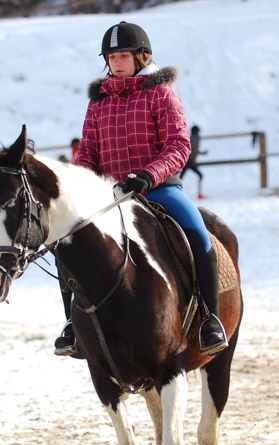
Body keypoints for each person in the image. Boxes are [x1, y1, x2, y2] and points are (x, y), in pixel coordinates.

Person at [54, 21, 229, 357]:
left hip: (158, 189)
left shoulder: (160, 93)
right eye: (111, 57)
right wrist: (83, 185)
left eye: (122, 55)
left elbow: (178, 145)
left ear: (141, 56)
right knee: (68, 241)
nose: (116, 62)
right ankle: (72, 325)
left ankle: (210, 320)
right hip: (110, 196)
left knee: (197, 234)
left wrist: (149, 176)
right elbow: (88, 152)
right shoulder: (98, 102)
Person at [182, 125, 208, 199]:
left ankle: (179, 193)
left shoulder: (192, 138)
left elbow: (194, 150)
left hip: (188, 161)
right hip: (189, 161)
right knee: (200, 175)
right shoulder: (194, 139)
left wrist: (202, 153)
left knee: (180, 178)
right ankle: (199, 194)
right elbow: (193, 150)